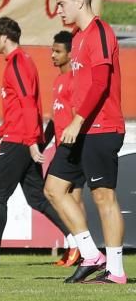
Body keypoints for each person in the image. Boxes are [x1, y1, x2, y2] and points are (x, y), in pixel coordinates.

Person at [0, 17, 71, 267]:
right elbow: (17, 106)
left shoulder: (19, 62)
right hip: (18, 136)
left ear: (4, 37)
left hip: (20, 141)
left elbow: (27, 103)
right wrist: (1, 130)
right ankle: (77, 242)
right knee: (37, 198)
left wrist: (32, 141)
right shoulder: (19, 62)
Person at [44, 0, 127, 284]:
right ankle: (91, 254)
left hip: (101, 128)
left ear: (80, 1)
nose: (58, 9)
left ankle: (116, 271)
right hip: (79, 130)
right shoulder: (76, 37)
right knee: (53, 189)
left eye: (61, 3)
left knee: (104, 197)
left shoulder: (100, 32)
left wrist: (77, 119)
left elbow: (101, 83)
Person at [45, 31, 84, 268]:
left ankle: (79, 248)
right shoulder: (58, 81)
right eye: (53, 50)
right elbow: (55, 118)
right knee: (72, 199)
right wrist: (43, 141)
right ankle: (78, 250)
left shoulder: (74, 80)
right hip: (62, 146)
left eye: (58, 51)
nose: (53, 55)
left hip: (73, 148)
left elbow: (75, 115)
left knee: (60, 196)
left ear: (70, 54)